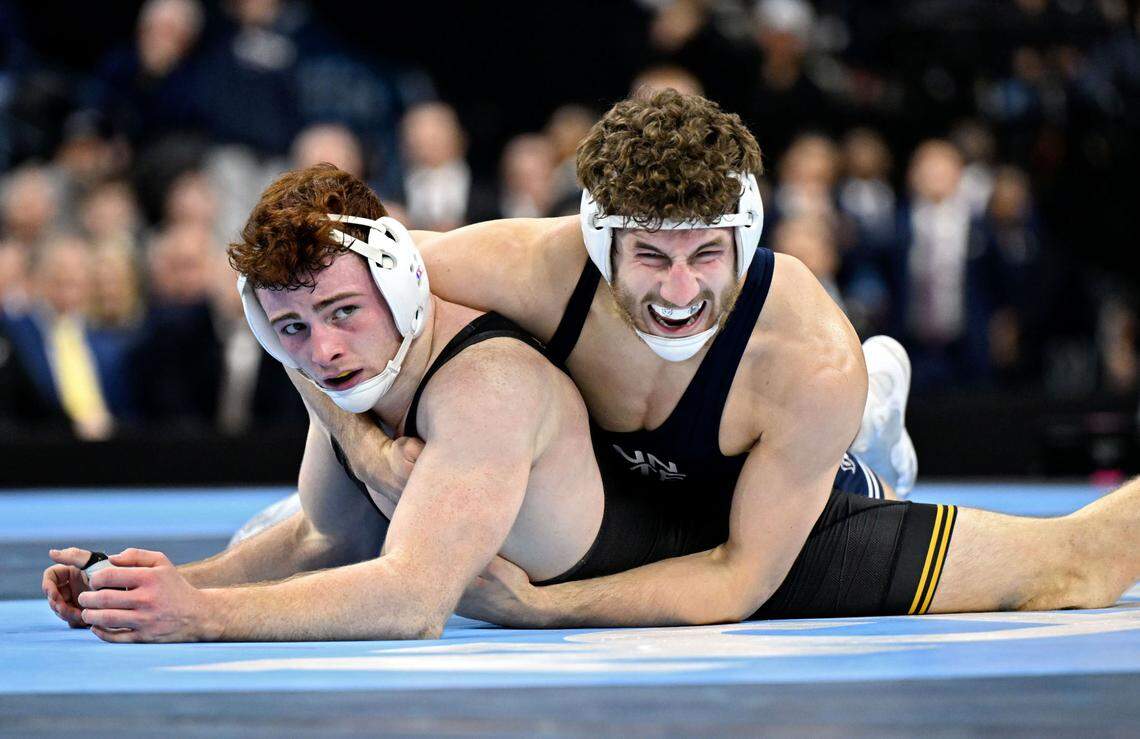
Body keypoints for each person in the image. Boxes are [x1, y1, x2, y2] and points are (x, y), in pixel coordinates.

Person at [41, 165, 1139, 641]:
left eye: (337, 316)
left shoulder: (484, 371)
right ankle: (858, 450)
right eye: (291, 329)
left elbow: (411, 596)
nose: (322, 352)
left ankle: (856, 447)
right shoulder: (344, 317)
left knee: (1078, 572)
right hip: (645, 473)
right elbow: (330, 532)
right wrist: (155, 587)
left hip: (727, 539)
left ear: (403, 277)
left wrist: (206, 615)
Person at [296, 91, 1133, 629]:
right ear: (598, 242)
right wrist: (364, 445)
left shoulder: (808, 357)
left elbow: (738, 580)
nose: (680, 292)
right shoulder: (532, 263)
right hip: (616, 489)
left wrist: (548, 608)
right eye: (651, 258)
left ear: (747, 238)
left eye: (706, 255)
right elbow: (285, 295)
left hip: (767, 502)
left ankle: (868, 430)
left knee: (1069, 572)